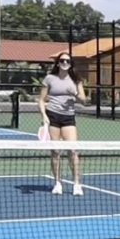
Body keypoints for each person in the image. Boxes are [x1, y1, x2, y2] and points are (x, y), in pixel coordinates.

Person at [38, 51, 87, 196]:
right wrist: (44, 115)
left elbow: (84, 101)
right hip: (53, 116)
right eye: (62, 61)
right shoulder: (50, 79)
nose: (65, 63)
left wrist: (75, 94)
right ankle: (57, 183)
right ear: (58, 63)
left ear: (71, 64)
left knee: (72, 151)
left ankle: (77, 184)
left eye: (68, 61)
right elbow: (41, 100)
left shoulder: (76, 80)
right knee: (55, 152)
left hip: (68, 118)